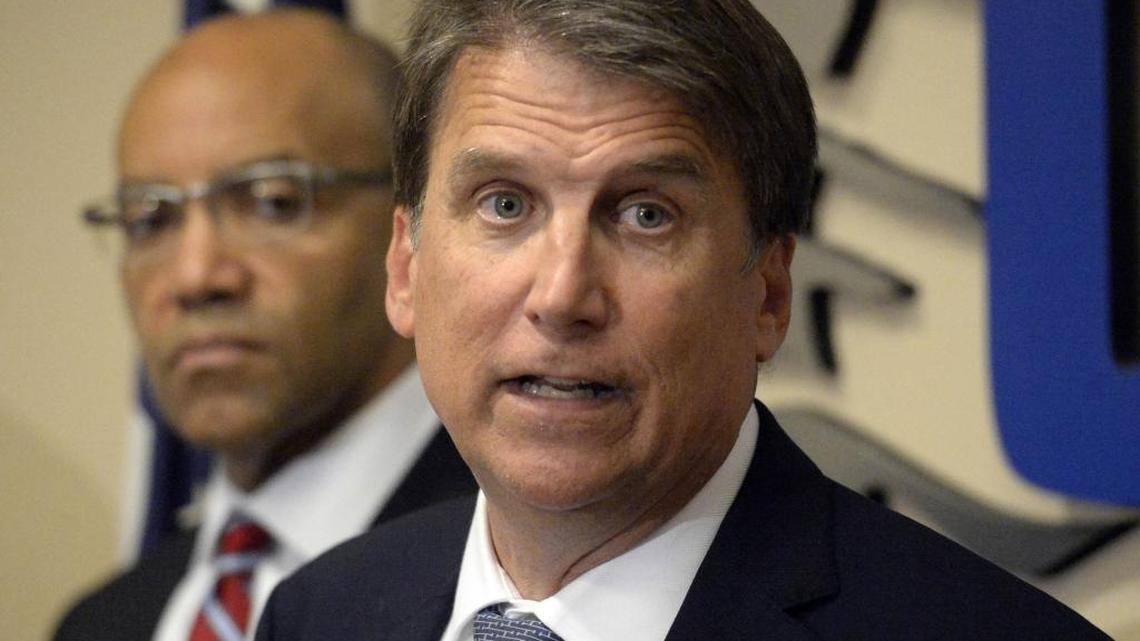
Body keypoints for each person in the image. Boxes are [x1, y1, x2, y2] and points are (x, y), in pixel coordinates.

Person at [254, 1, 1111, 639]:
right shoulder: (318, 614)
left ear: (767, 295)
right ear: (405, 268)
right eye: (505, 203)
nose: (561, 294)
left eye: (646, 215)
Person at [53, 9, 476, 641]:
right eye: (150, 220)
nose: (196, 277)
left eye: (273, 202)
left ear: (407, 228)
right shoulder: (100, 623)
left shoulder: (521, 564)